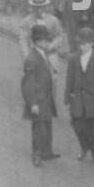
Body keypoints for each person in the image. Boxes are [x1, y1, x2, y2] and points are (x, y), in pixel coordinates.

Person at [64, 27, 94, 165]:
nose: (82, 46)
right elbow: (69, 79)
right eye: (81, 43)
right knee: (77, 125)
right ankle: (84, 147)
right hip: (77, 99)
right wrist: (67, 98)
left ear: (92, 44)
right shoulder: (73, 59)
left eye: (85, 43)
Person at [22, 24, 59, 166]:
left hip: (46, 98)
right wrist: (33, 103)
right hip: (39, 100)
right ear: (37, 41)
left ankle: (47, 151)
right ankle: (37, 154)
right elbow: (28, 84)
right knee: (38, 128)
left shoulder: (42, 54)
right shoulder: (32, 59)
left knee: (47, 125)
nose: (48, 42)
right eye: (45, 40)